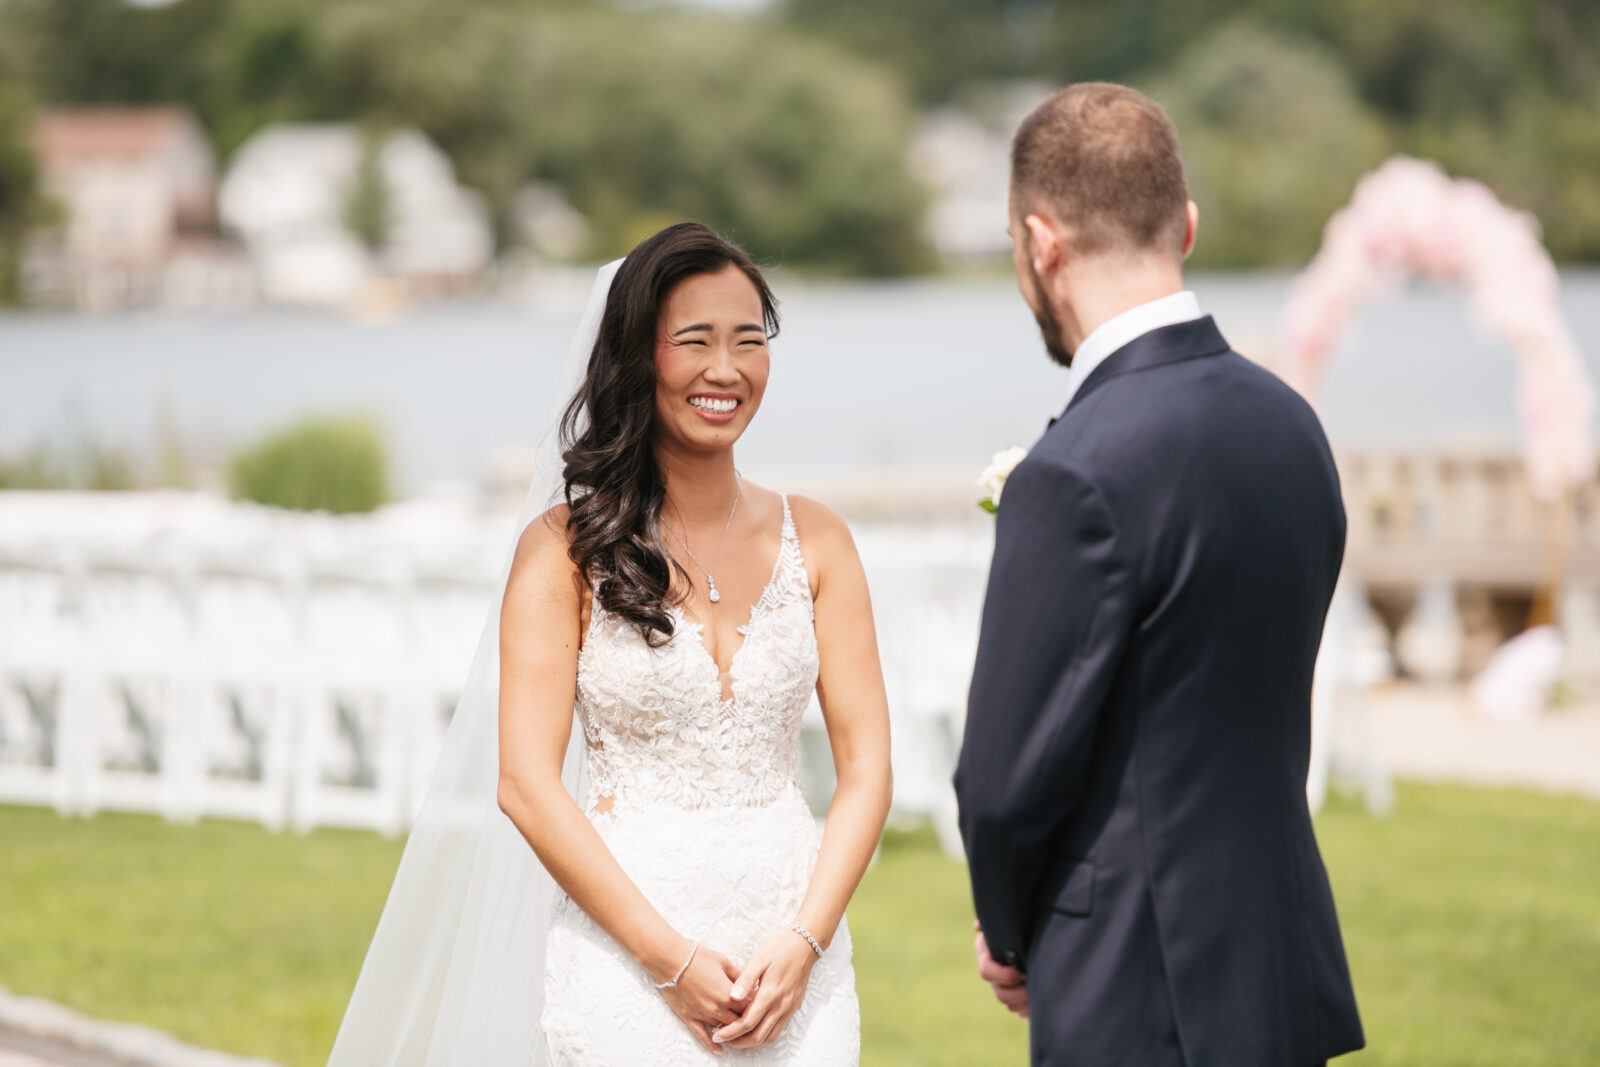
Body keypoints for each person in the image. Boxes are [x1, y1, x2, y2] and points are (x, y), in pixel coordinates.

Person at [328, 222, 891, 1065]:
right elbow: (524, 783)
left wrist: (806, 940)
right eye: (694, 341)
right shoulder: (562, 551)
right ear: (637, 356)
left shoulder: (820, 540)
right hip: (630, 965)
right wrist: (671, 961)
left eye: (748, 341)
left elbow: (868, 770)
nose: (726, 370)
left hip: (795, 970)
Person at [954, 83, 1365, 1066]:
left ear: (1039, 243)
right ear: (1184, 223)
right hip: (1274, 953)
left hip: (1137, 982)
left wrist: (1009, 931)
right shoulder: (1290, 425)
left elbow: (1004, 779)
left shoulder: (1074, 471)